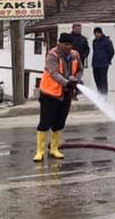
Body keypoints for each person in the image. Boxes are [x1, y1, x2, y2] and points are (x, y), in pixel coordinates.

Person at [34, 33, 83, 162]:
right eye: (66, 44)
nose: (68, 47)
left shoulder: (75, 55)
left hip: (66, 94)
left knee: (59, 122)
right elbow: (54, 73)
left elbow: (80, 70)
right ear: (59, 43)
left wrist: (76, 79)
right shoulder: (52, 55)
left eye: (70, 45)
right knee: (45, 122)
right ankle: (40, 151)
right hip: (50, 93)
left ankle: (54, 149)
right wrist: (67, 83)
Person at [91, 27, 115, 96]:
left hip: (103, 64)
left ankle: (104, 95)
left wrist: (108, 60)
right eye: (95, 34)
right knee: (97, 79)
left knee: (103, 80)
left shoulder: (107, 41)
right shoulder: (94, 41)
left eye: (98, 33)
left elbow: (112, 52)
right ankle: (100, 93)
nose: (96, 35)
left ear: (101, 33)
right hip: (95, 64)